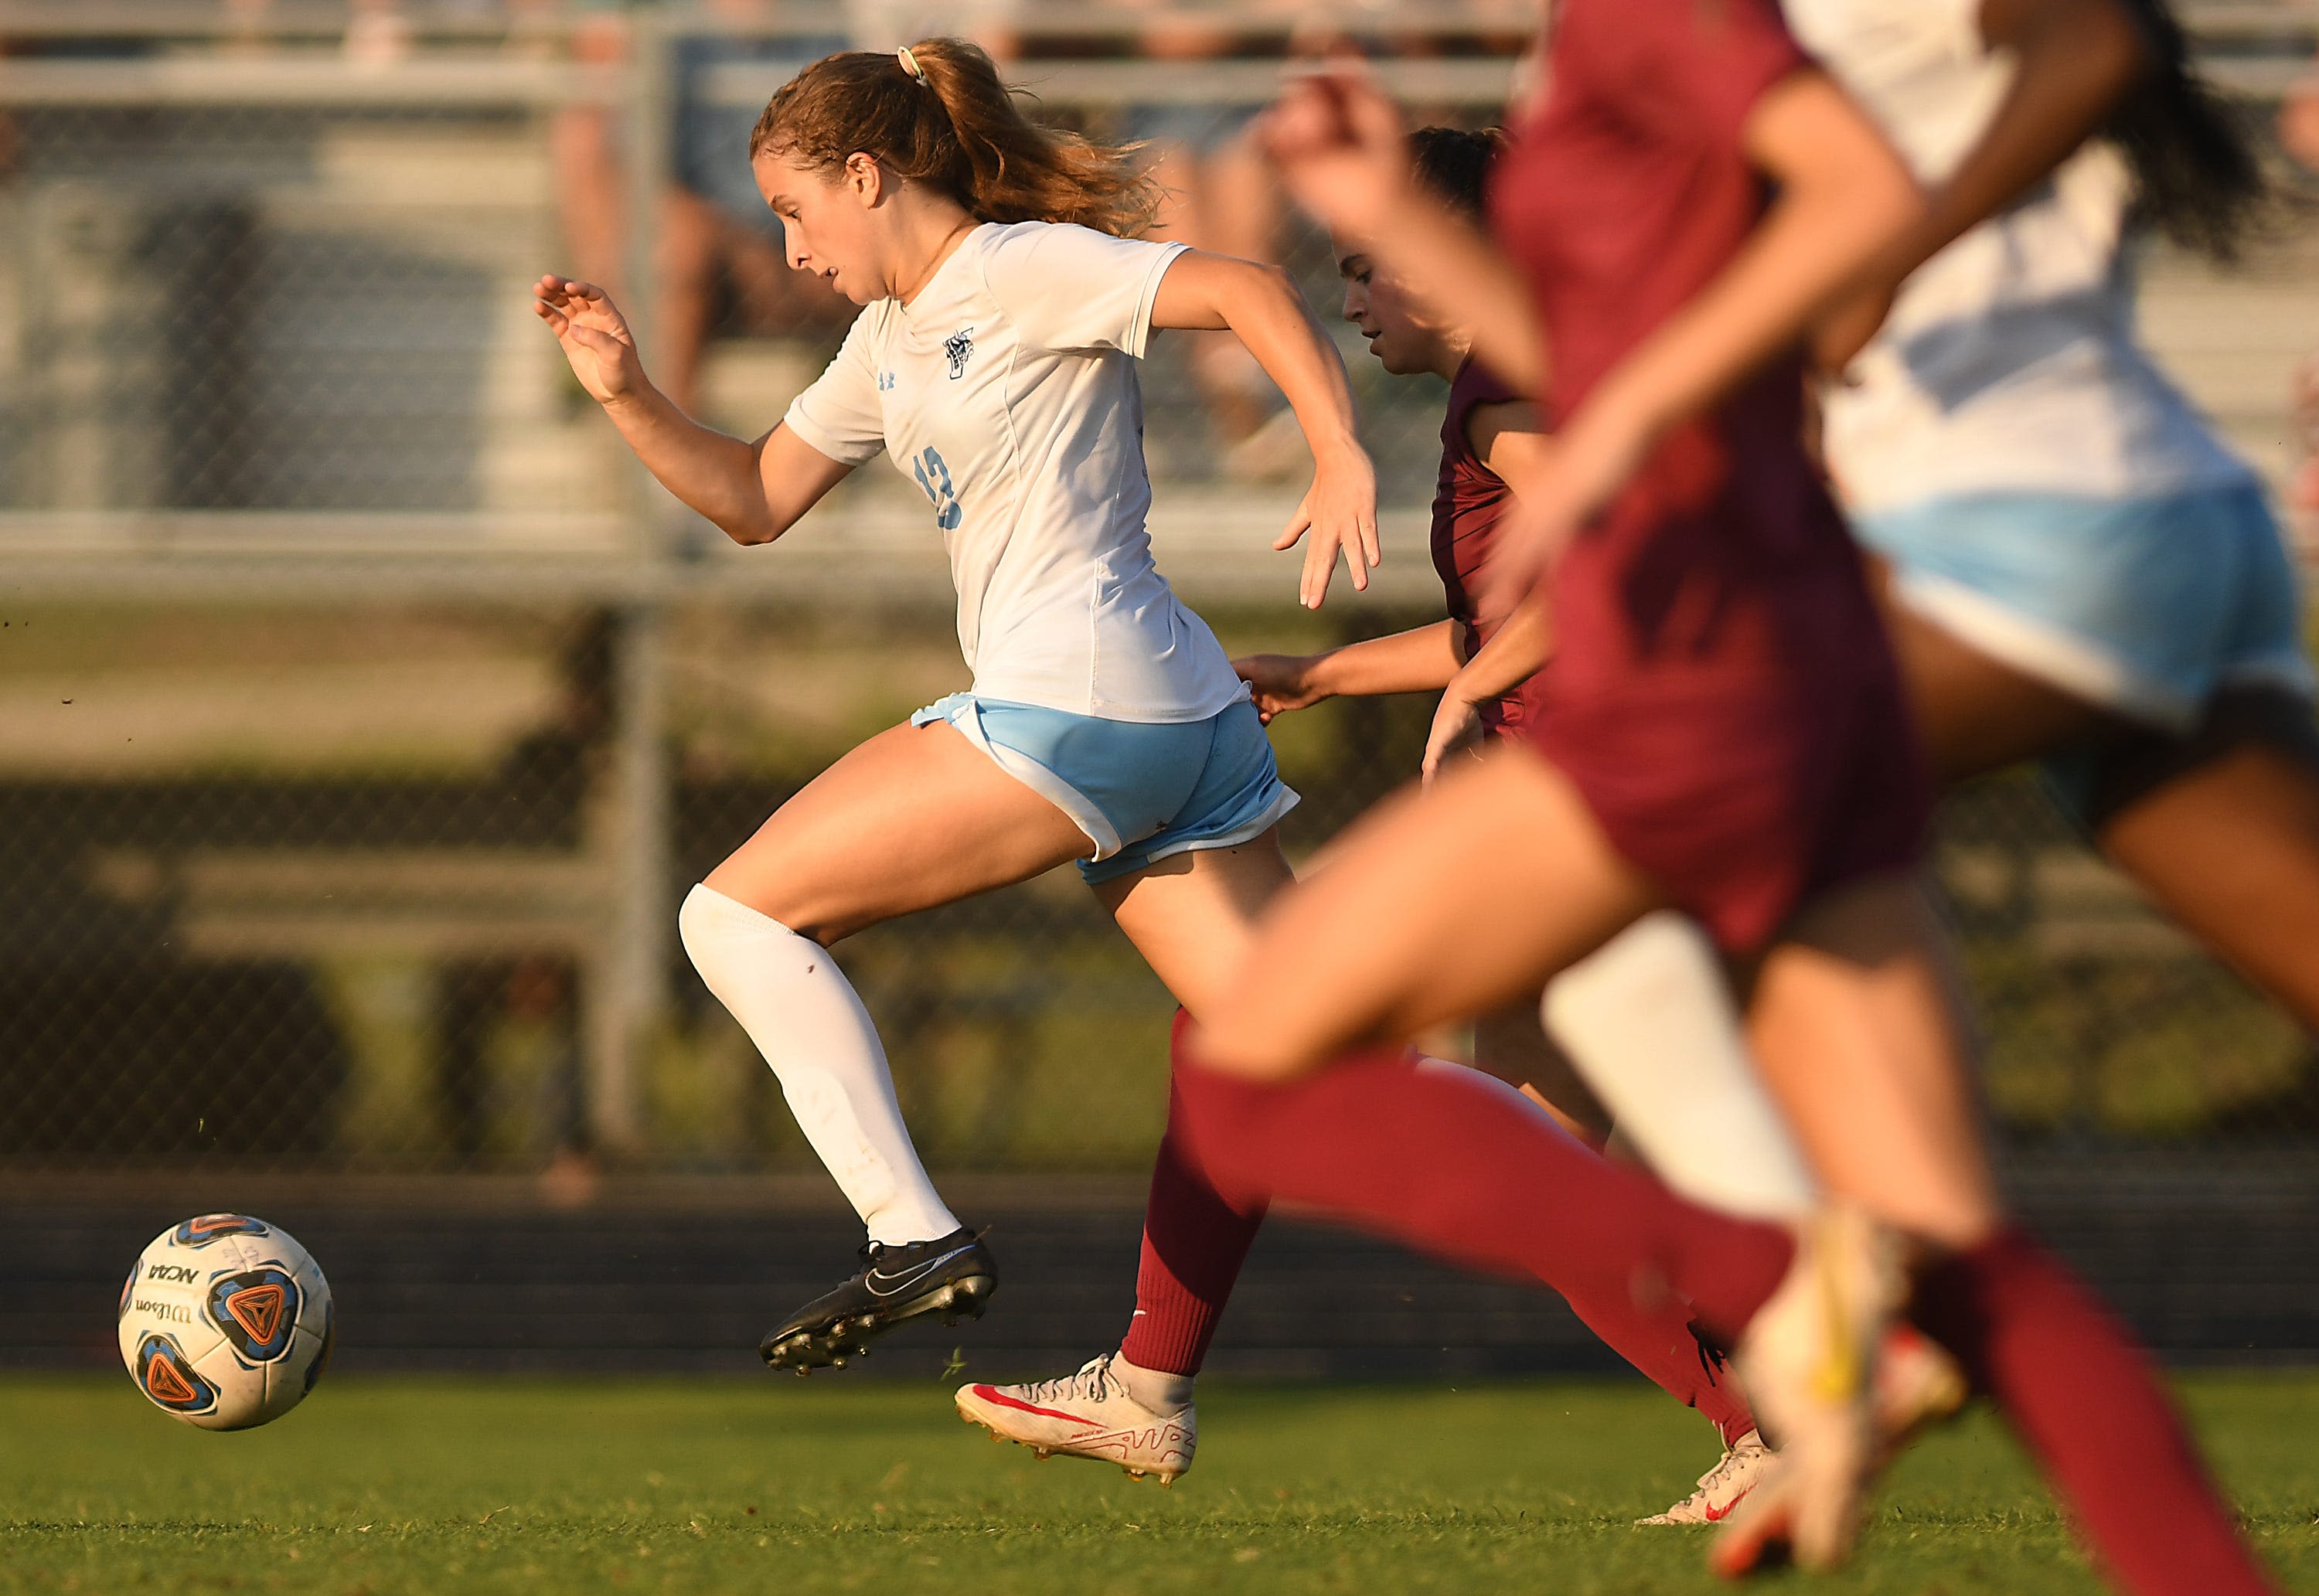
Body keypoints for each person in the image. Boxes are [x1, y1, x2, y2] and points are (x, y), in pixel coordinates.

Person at [1194, 7, 2283, 1588]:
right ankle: (1840, 1304)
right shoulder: (1591, 59)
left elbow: (1809, 241)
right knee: (1962, 1254)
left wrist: (1651, 408)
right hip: (2020, 565)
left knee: (1250, 1071)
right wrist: (1396, 217)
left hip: (1797, 633)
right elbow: (1614, 353)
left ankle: (1787, 1292)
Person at [954, 127, 1784, 1529]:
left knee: (1253, 1009)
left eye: (1363, 270)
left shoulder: (1499, 402)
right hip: (1614, 811)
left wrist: (1479, 684)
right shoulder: (1514, 392)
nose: (1353, 302)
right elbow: (1517, 610)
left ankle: (1150, 1385)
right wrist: (1332, 670)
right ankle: (1782, 1415)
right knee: (1548, 1174)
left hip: (1572, 810)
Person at [534, 33, 1394, 1374]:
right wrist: (629, 394)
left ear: (866, 175)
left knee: (732, 913)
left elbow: (1241, 286)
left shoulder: (1016, 267)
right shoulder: (888, 342)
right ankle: (1657, 1245)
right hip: (1177, 721)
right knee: (1320, 1067)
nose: (795, 248)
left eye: (796, 210)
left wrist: (1340, 452)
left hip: (1080, 709)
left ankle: (913, 1237)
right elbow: (756, 499)